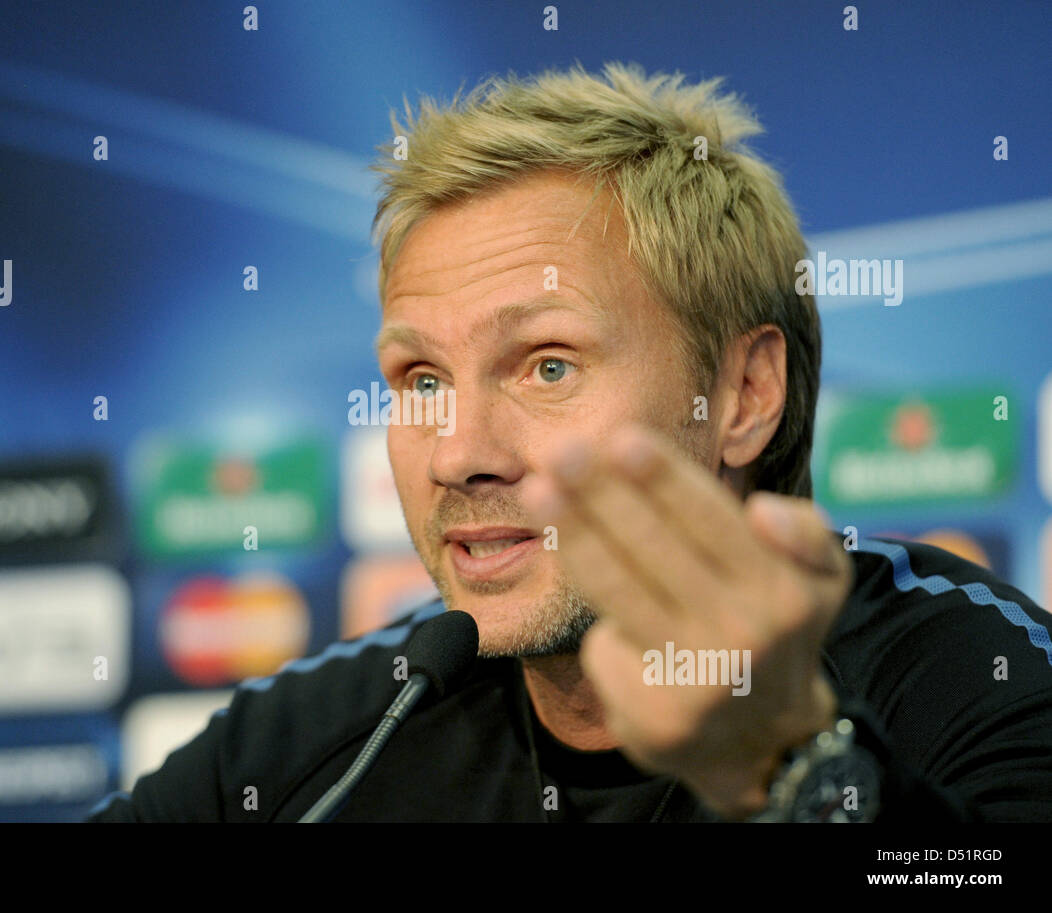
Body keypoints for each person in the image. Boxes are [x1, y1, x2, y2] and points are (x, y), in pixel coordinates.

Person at [87, 62, 1052, 822]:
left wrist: (797, 771)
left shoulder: (972, 674)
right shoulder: (326, 738)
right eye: (422, 380)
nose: (458, 451)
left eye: (547, 365)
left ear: (743, 393)